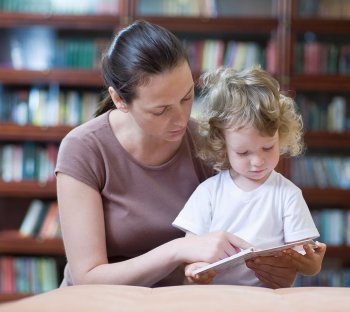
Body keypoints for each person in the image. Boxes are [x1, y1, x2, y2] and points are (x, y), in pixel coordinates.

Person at [55, 19, 299, 288]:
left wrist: (275, 270)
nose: (181, 119)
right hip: (101, 304)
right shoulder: (83, 149)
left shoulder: (208, 141)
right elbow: (86, 276)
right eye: (161, 110)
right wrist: (178, 250)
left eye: (186, 97)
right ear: (119, 100)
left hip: (183, 303)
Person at [172, 65, 327, 286]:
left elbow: (308, 266)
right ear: (222, 145)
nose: (258, 161)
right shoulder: (208, 192)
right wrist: (195, 270)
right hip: (217, 299)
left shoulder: (287, 195)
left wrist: (312, 263)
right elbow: (189, 253)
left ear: (280, 136)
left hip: (268, 300)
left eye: (267, 148)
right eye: (243, 152)